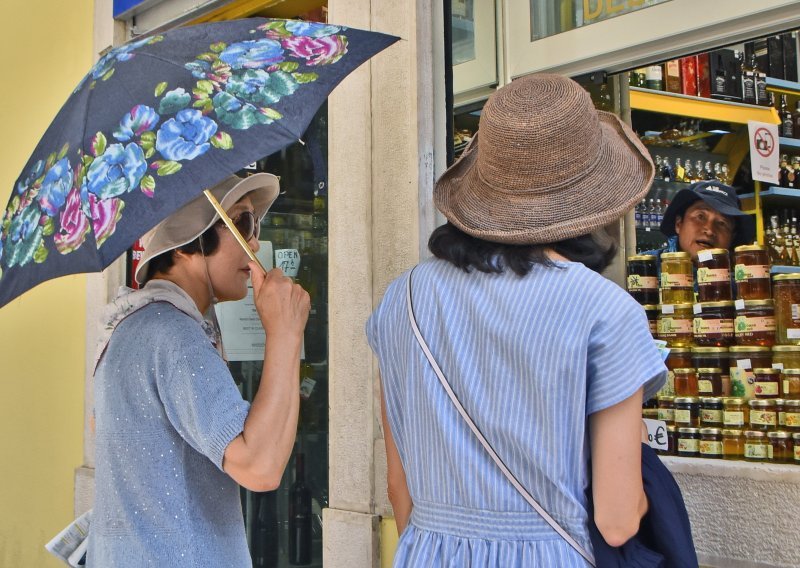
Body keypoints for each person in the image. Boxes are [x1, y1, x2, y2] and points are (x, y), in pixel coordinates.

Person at [366, 74, 667, 566]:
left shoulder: (403, 300)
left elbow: (399, 487)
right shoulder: (606, 311)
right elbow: (617, 520)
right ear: (593, 201)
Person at [87, 173, 310, 567]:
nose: (255, 242)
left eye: (255, 225)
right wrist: (285, 334)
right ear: (191, 238)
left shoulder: (132, 328)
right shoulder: (172, 335)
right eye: (243, 223)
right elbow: (260, 466)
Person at [651, 180, 756, 262]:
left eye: (722, 223)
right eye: (700, 217)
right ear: (679, 224)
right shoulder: (645, 269)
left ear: (732, 238)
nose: (709, 231)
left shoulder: (739, 286)